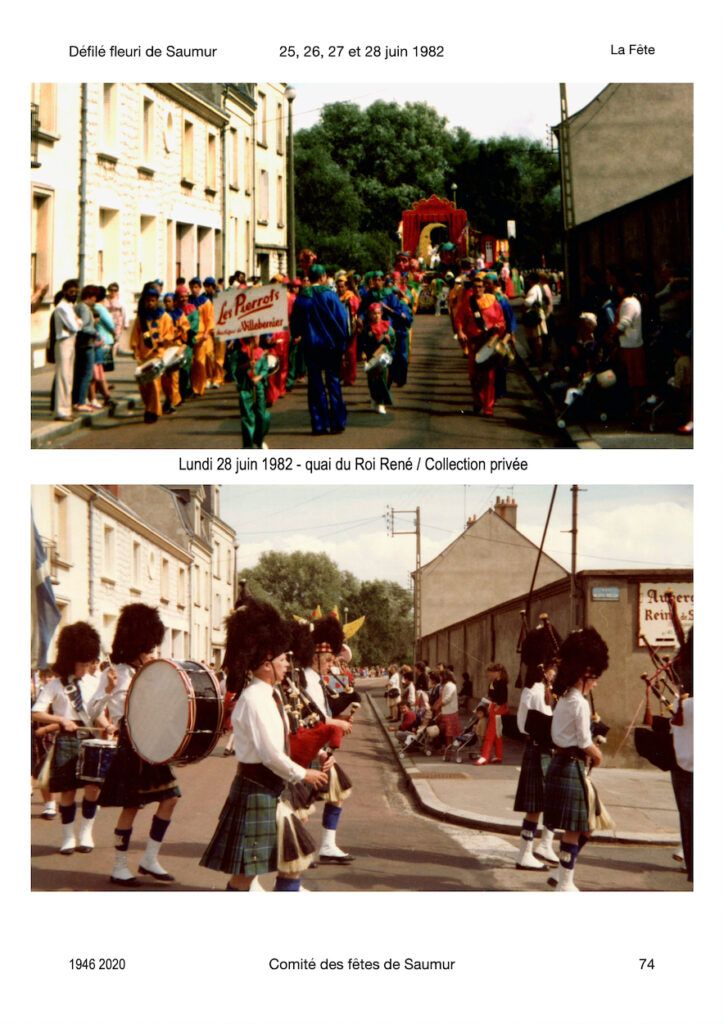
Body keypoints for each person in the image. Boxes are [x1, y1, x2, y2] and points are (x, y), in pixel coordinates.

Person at [200, 599, 327, 891]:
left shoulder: (271, 694)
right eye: (283, 659)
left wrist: (316, 753)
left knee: (291, 865)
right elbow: (270, 753)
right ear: (267, 663)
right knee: (245, 876)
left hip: (273, 789)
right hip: (258, 788)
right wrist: (303, 774)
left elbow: (285, 739)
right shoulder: (256, 699)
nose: (287, 665)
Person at [90, 604, 180, 886]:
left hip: (151, 741)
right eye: (148, 647)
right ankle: (119, 866)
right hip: (130, 744)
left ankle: (149, 858)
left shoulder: (150, 671)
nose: (151, 652)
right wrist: (107, 692)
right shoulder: (113, 672)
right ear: (135, 645)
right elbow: (92, 710)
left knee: (171, 798)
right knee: (131, 807)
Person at [543, 627, 609, 891]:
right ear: (586, 673)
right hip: (571, 764)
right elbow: (583, 741)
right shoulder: (579, 702)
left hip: (565, 764)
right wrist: (598, 754)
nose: (597, 682)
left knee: (587, 827)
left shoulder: (566, 698)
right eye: (595, 677)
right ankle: (565, 883)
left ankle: (561, 874)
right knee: (576, 828)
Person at [31, 623, 103, 854]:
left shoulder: (94, 682)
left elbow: (96, 713)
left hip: (90, 740)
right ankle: (67, 836)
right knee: (68, 791)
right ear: (70, 659)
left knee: (92, 789)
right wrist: (61, 720)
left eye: (88, 662)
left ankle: (86, 833)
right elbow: (35, 712)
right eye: (82, 663)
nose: (85, 667)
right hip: (67, 739)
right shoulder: (55, 684)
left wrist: (107, 725)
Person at [294, 616, 355, 865]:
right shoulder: (304, 679)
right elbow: (311, 718)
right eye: (328, 660)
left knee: (338, 791)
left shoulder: (320, 679)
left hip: (321, 748)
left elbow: (329, 709)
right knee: (298, 811)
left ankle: (328, 845)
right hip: (307, 749)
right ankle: (294, 853)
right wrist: (333, 729)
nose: (332, 664)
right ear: (313, 657)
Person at [513, 619, 562, 870]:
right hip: (537, 749)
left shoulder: (546, 689)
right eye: (553, 667)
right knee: (535, 807)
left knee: (548, 802)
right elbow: (527, 725)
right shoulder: (533, 691)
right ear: (544, 667)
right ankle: (525, 853)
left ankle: (543, 845)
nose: (556, 671)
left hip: (546, 749)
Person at [290, 264, 348, 435]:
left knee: (315, 386)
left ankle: (319, 424)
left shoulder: (302, 298)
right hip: (331, 347)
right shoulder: (331, 295)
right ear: (323, 277)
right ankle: (337, 422)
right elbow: (342, 320)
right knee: (333, 383)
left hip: (311, 346)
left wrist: (299, 334)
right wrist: (342, 345)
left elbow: (295, 325)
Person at [454, 274, 507, 416]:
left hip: (489, 341)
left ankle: (488, 407)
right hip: (473, 342)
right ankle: (478, 400)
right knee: (474, 375)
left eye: (480, 287)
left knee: (489, 376)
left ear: (485, 287)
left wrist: (497, 329)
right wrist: (460, 332)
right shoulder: (468, 303)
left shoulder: (493, 301)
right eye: (475, 287)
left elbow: (502, 321)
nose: (477, 289)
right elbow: (459, 319)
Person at [129, 288, 175, 424]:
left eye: (153, 301)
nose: (150, 303)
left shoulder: (165, 317)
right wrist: (134, 349)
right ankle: (148, 406)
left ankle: (153, 411)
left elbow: (170, 334)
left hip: (158, 354)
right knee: (143, 385)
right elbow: (135, 336)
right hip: (143, 356)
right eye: (148, 301)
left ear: (157, 301)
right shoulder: (141, 319)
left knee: (154, 383)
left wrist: (163, 340)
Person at [51, 280, 82, 421]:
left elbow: (76, 324)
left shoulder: (70, 307)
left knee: (69, 377)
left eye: (76, 292)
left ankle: (67, 409)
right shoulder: (62, 307)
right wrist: (78, 321)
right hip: (63, 342)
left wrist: (77, 322)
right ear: (64, 292)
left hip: (71, 341)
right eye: (71, 292)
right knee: (63, 377)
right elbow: (75, 326)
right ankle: (61, 411)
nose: (74, 294)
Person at [359, 303, 395, 414]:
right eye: (374, 313)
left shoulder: (387, 327)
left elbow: (393, 342)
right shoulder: (367, 329)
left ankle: (381, 402)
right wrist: (363, 354)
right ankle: (374, 398)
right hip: (371, 357)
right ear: (369, 314)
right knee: (372, 380)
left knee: (383, 379)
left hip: (383, 357)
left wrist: (389, 341)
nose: (376, 316)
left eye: (379, 313)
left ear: (382, 314)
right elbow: (362, 343)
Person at [473, 663, 509, 765]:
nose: (489, 674)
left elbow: (503, 698)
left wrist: (496, 705)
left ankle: (484, 756)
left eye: (491, 672)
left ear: (498, 672)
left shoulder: (501, 683)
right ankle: (498, 755)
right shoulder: (494, 682)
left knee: (490, 733)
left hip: (498, 708)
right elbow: (491, 696)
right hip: (495, 707)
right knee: (497, 733)